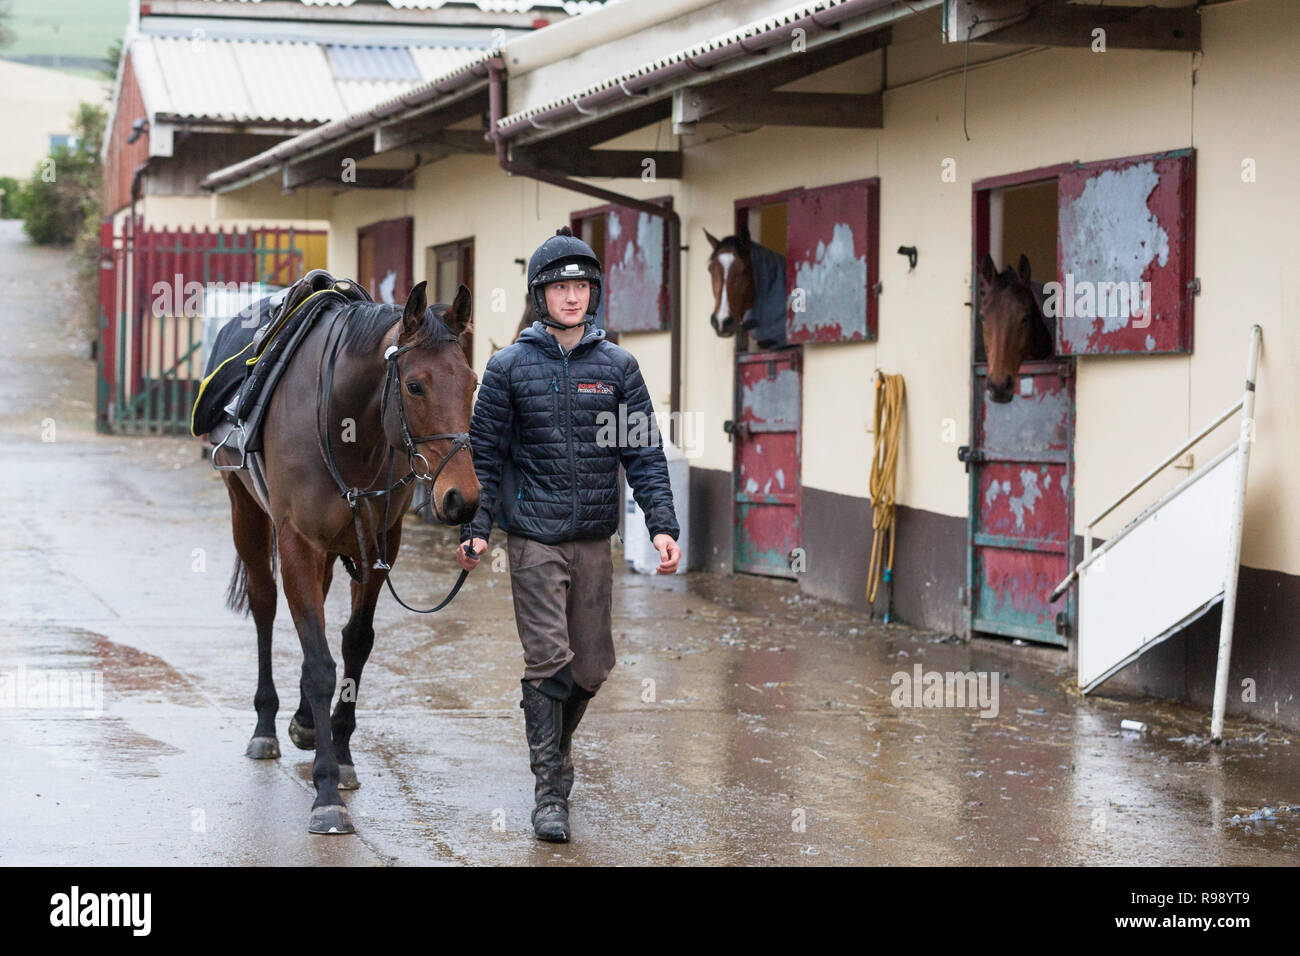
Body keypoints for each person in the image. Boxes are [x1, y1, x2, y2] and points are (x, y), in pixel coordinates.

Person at [456, 226, 681, 842]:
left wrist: (662, 523)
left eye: (582, 285)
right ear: (540, 295)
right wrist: (479, 530)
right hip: (532, 537)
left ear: (594, 293)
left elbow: (643, 454)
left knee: (591, 668)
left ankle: (554, 743)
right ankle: (549, 790)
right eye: (561, 287)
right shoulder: (507, 369)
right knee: (549, 660)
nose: (573, 296)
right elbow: (485, 457)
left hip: (591, 537)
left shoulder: (617, 368)